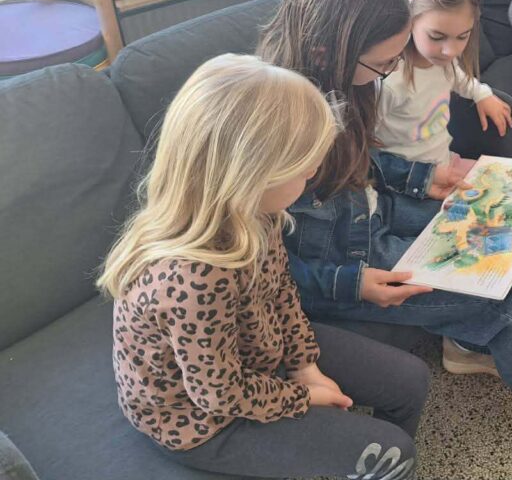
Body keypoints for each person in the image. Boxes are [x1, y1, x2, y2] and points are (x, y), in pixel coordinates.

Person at [257, 0, 512, 427]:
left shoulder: (341, 82)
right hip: (345, 267)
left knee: (509, 228)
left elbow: (359, 160)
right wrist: (351, 283)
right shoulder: (273, 128)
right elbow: (261, 263)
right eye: (383, 64)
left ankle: (468, 344)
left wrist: (422, 177)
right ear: (327, 50)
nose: (390, 73)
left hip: (371, 215)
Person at [98, 54, 428, 479]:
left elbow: (281, 292)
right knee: (394, 454)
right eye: (304, 168)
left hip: (253, 356)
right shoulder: (193, 277)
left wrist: (304, 365)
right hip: (202, 422)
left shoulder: (260, 212)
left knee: (411, 381)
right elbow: (219, 396)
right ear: (251, 174)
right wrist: (303, 398)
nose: (314, 173)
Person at [377, 0, 512, 182]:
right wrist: (419, 178)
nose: (451, 51)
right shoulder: (390, 82)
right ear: (409, 19)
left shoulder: (444, 62)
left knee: (508, 182)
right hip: (409, 182)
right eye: (437, 37)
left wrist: (481, 94)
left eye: (462, 36)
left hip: (446, 163)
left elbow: (458, 78)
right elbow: (365, 149)